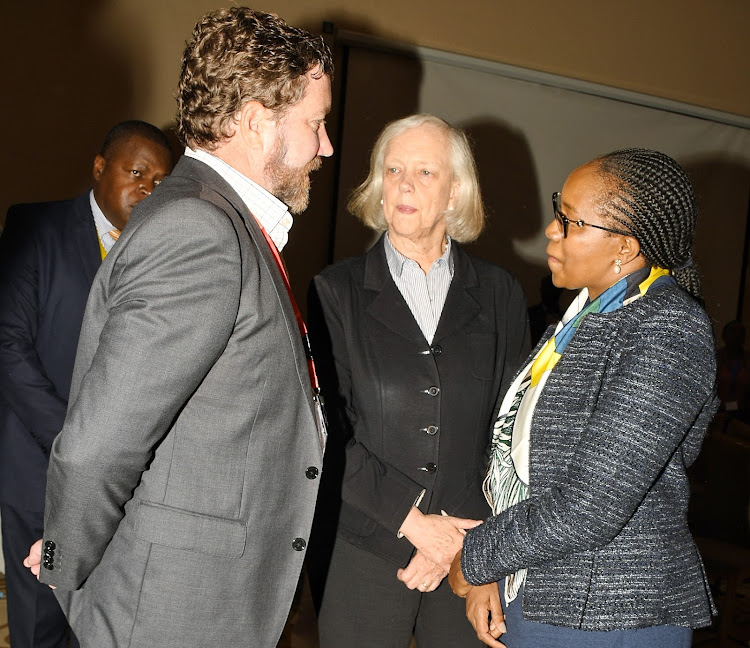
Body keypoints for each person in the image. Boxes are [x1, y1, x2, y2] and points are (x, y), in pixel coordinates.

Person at [23, 7, 333, 647]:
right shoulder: (200, 231)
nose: (326, 147)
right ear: (255, 121)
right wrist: (65, 567)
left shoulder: (218, 220)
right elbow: (97, 443)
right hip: (172, 611)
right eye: (316, 123)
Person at [449, 148, 719, 648]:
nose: (552, 230)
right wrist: (494, 569)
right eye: (559, 212)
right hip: (544, 592)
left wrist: (475, 557)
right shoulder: (584, 317)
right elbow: (524, 464)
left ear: (625, 247)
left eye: (569, 221)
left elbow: (590, 506)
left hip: (607, 616)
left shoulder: (667, 329)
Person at [308, 114, 529, 647]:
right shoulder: (333, 293)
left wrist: (467, 543)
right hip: (364, 546)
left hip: (469, 551)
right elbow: (324, 432)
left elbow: (517, 432)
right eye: (393, 170)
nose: (404, 183)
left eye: (425, 172)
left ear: (456, 192)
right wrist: (416, 527)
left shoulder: (500, 295)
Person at [0, 119, 172, 648]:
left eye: (161, 182)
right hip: (40, 469)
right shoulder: (36, 228)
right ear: (100, 169)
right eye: (137, 172)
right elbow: (8, 344)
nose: (147, 189)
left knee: (100, 626)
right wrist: (75, 443)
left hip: (122, 487)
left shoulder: (166, 251)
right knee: (43, 623)